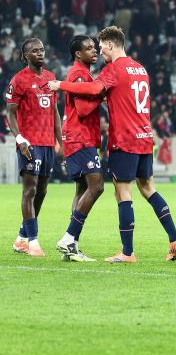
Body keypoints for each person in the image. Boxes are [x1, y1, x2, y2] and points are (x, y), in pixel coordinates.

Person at [48, 26, 176, 263]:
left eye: (101, 47)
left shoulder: (114, 69)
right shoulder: (140, 69)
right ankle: (174, 238)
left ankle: (127, 252)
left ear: (111, 45)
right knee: (148, 188)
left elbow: (93, 89)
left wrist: (60, 85)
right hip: (145, 136)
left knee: (122, 191)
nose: (99, 51)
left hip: (125, 138)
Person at [6, 38, 63, 257]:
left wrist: (61, 140)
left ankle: (21, 237)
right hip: (29, 143)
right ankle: (33, 241)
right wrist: (20, 139)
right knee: (29, 190)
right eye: (35, 51)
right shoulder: (18, 80)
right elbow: (11, 113)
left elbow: (55, 112)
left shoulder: (50, 78)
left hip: (47, 143)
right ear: (25, 56)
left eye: (42, 50)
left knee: (42, 191)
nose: (40, 53)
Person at [55, 35, 105, 262]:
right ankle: (68, 237)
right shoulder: (78, 75)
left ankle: (71, 246)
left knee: (81, 188)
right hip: (79, 137)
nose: (94, 51)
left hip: (78, 137)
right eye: (88, 48)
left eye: (95, 48)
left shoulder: (83, 74)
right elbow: (84, 111)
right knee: (97, 186)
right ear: (78, 53)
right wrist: (102, 94)